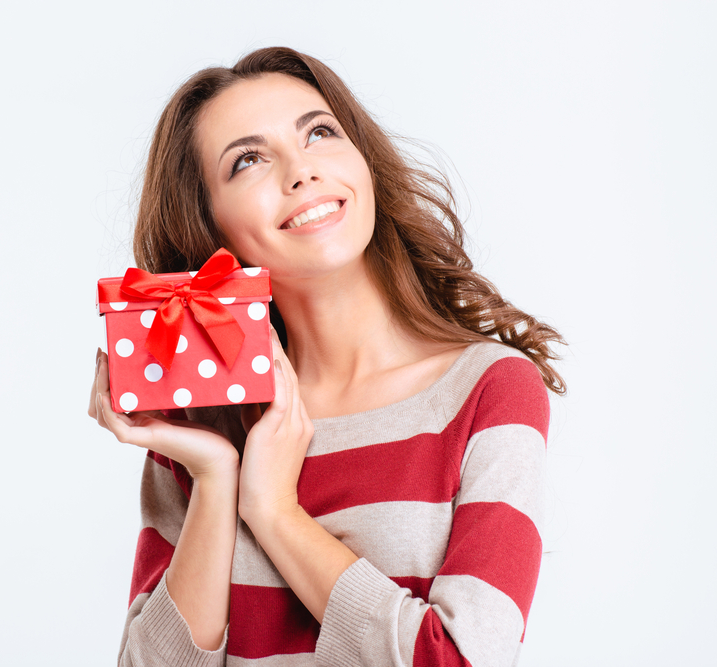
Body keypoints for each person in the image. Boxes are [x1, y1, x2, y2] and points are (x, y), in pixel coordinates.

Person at [88, 46, 565, 667]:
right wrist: (214, 476)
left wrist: (275, 513)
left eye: (319, 132)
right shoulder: (196, 418)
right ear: (211, 229)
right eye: (248, 161)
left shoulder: (488, 389)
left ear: (363, 160)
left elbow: (460, 660)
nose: (300, 171)